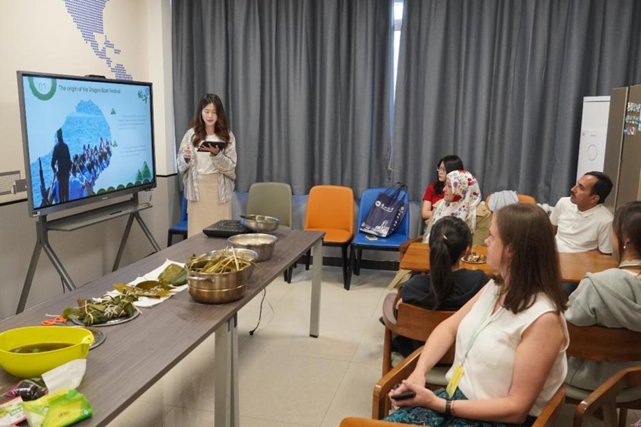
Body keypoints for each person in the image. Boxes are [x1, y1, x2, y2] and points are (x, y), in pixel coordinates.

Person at [387, 204, 568, 427]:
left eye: (492, 236)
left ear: (511, 250)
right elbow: (448, 328)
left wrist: (439, 404)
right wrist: (420, 372)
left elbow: (516, 409)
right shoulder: (495, 287)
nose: (486, 242)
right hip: (456, 399)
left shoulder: (543, 320)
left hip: (495, 419)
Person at [564, 201, 641, 391]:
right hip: (636, 380)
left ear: (625, 239)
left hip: (590, 380)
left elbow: (567, 330)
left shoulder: (596, 285)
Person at [393, 217, 489, 357]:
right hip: (462, 355)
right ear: (467, 251)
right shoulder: (479, 282)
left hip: (418, 355)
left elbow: (399, 312)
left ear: (431, 248)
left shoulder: (414, 286)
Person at [177, 94, 237, 237]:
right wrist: (185, 158)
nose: (210, 116)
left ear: (219, 114)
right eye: (206, 111)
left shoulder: (227, 136)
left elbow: (231, 167)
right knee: (197, 235)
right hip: (197, 191)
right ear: (201, 112)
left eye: (214, 112)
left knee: (220, 235)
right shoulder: (191, 135)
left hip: (219, 191)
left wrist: (217, 155)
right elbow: (180, 164)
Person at [550, 172, 614, 254]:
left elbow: (605, 253)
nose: (573, 189)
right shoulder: (563, 203)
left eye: (581, 188)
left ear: (594, 198)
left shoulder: (606, 220)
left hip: (579, 260)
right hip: (552, 255)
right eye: (577, 184)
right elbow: (550, 231)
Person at [423, 170, 481, 243]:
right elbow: (427, 236)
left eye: (449, 186)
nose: (444, 189)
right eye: (445, 184)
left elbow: (476, 247)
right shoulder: (440, 205)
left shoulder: (478, 214)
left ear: (462, 190)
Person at [422, 155, 465, 223]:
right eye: (439, 168)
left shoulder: (461, 190)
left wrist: (439, 215)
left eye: (444, 169)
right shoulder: (432, 187)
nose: (440, 172)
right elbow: (424, 213)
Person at [51, 128, 72, 203]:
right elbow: (69, 161)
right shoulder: (66, 146)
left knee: (61, 195)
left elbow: (52, 163)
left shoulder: (56, 147)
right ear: (62, 136)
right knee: (67, 194)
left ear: (57, 136)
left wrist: (55, 171)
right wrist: (68, 170)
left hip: (60, 174)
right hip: (66, 174)